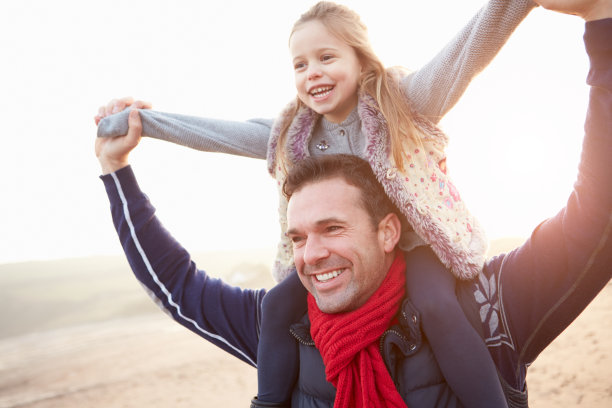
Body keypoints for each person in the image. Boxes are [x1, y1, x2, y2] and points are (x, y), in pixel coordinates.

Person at [95, 0, 612, 404]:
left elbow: (469, 49)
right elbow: (221, 136)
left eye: (326, 57)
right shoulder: (291, 134)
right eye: (299, 64)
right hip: (351, 281)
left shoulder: (403, 103)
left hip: (422, 249)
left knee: (435, 303)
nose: (312, 73)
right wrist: (143, 128)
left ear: (360, 58)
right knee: (277, 303)